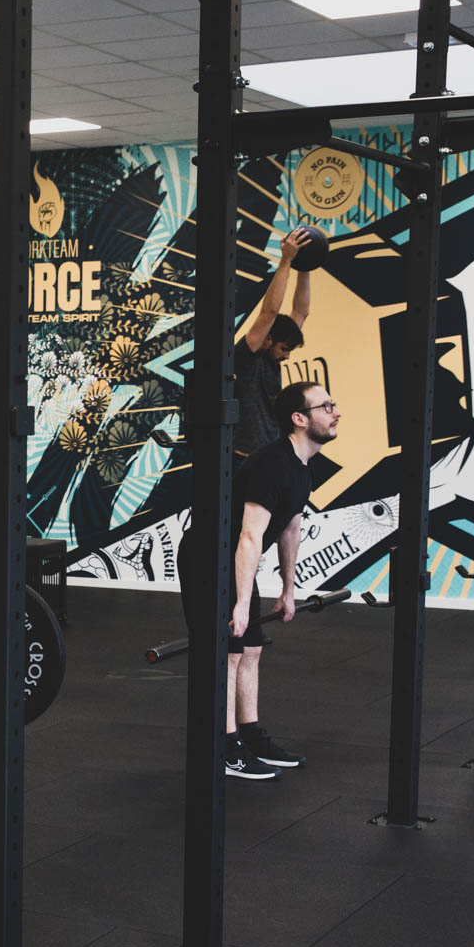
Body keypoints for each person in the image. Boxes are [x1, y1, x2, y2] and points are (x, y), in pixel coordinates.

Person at [176, 381, 341, 780]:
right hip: (207, 560)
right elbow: (249, 536)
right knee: (229, 652)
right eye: (325, 407)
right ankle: (225, 747)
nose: (336, 412)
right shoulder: (272, 464)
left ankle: (250, 736)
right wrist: (240, 603)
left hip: (232, 562)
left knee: (251, 651)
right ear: (299, 419)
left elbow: (289, 527)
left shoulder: (304, 465)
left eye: (333, 405)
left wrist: (288, 589)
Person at [232, 227, 316, 457]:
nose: (287, 356)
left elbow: (301, 311)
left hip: (268, 456)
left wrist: (304, 266)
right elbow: (269, 312)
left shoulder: (272, 357)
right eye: (284, 349)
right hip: (241, 459)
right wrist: (286, 260)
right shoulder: (247, 355)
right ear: (268, 338)